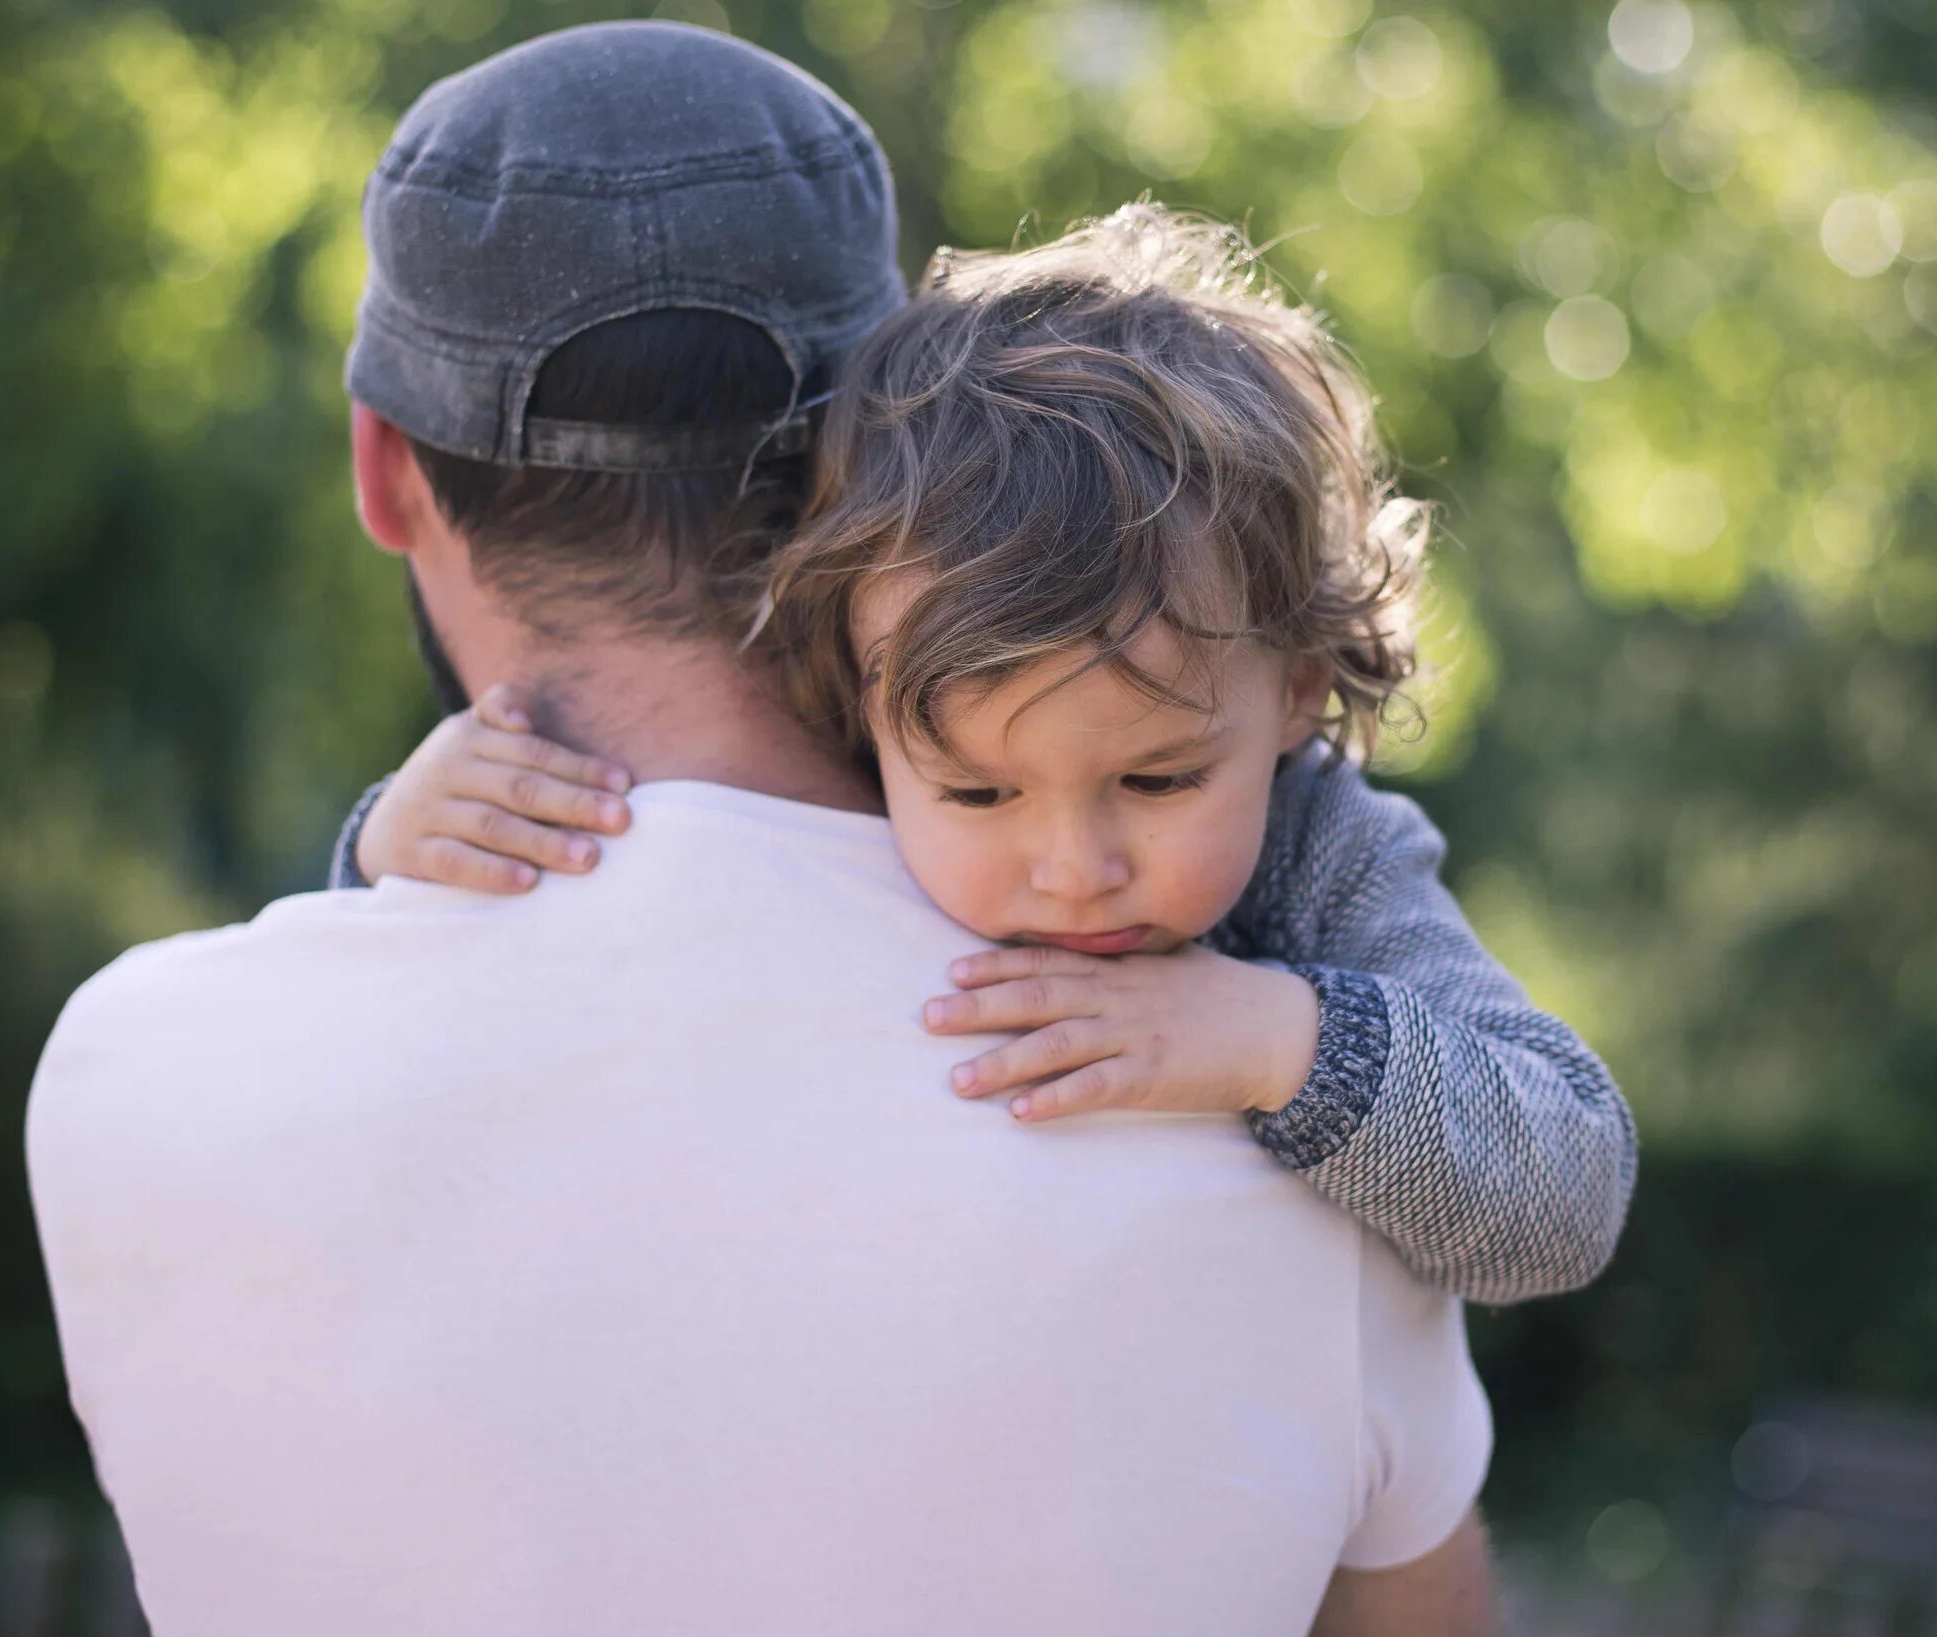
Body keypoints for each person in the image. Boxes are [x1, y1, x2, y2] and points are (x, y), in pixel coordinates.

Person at [29, 23, 1505, 1637]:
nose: (1078, 862)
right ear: (876, 477)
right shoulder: (1276, 1113)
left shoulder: (129, 1072)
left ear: (384, 470)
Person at [332, 209, 1638, 1307]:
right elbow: (494, 1019)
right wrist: (391, 851)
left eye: (1160, 779)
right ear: (858, 707)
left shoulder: (1321, 863)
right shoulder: (833, 804)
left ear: (1297, 688)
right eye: (979, 793)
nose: (1073, 869)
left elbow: (1568, 1187)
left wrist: (1285, 1040)